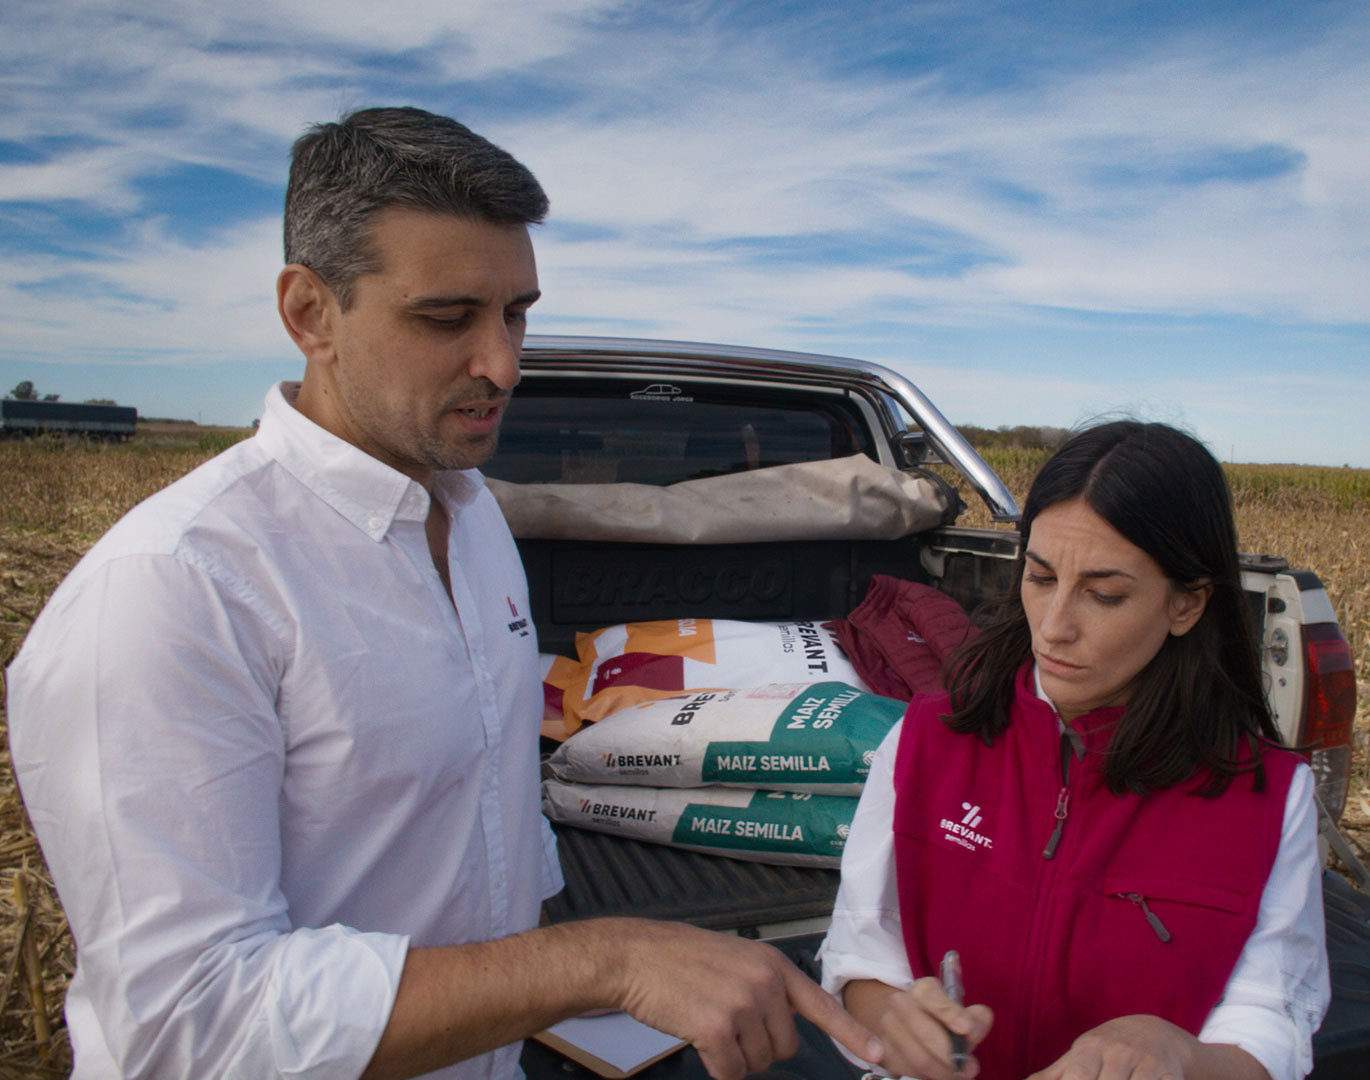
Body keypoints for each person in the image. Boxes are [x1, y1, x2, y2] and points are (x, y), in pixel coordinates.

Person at [6, 106, 881, 1080]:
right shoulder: (173, 591)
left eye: (517, 313)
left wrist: (556, 993)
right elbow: (190, 1026)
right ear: (309, 313)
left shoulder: (471, 521)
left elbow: (488, 825)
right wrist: (605, 962)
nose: (502, 364)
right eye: (446, 317)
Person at [818, 421, 1330, 1080]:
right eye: (1040, 577)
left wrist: (1179, 1053)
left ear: (1186, 604)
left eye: (1104, 594)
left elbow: (1272, 1020)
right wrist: (893, 1019)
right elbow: (860, 951)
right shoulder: (926, 740)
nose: (1054, 627)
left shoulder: (1268, 799)